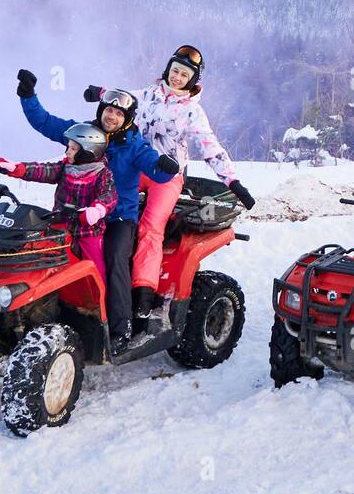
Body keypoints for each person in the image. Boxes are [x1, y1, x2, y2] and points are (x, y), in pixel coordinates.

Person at [85, 45, 255, 334]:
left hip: (166, 176)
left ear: (192, 81)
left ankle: (143, 294)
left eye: (184, 75)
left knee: (151, 228)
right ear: (168, 70)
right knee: (102, 199)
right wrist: (100, 93)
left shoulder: (192, 112)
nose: (177, 77)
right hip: (137, 166)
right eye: (175, 70)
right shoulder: (148, 94)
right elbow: (124, 100)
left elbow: (210, 147)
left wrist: (233, 182)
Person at [17, 69, 177, 353]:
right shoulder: (86, 134)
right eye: (108, 110)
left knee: (116, 258)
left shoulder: (134, 146)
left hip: (118, 218)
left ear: (127, 119)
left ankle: (120, 328)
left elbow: (154, 166)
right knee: (43, 250)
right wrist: (29, 96)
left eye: (118, 113)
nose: (111, 116)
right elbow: (46, 123)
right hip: (76, 215)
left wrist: (164, 167)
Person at [0, 123, 119, 287]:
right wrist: (18, 169)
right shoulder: (65, 167)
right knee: (47, 262)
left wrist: (97, 209)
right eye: (68, 147)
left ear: (88, 151)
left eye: (73, 148)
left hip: (87, 232)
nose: (67, 151)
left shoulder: (102, 173)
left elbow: (110, 195)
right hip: (59, 228)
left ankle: (100, 304)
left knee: (95, 267)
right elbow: (43, 170)